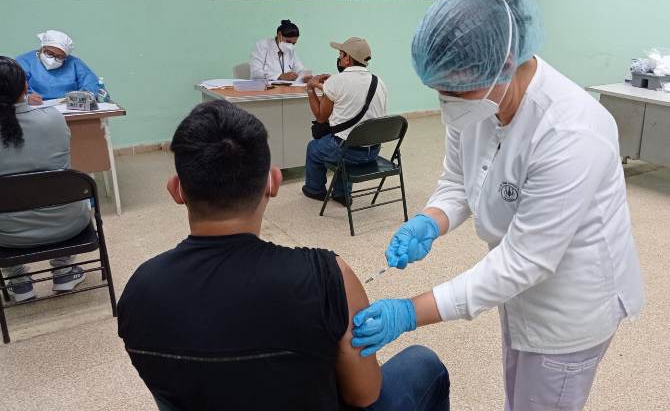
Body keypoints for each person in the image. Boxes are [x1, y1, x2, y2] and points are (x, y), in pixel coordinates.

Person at [351, 0, 645, 410]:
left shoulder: (572, 132)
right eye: (439, 90)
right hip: (520, 290)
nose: (446, 103)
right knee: (520, 394)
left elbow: (524, 260)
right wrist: (430, 220)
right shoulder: (479, 98)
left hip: (570, 305)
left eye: (454, 90)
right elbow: (457, 182)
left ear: (505, 64)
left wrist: (411, 311)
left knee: (543, 396)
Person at [117, 100, 449, 411]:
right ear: (273, 182)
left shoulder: (138, 293)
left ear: (177, 190)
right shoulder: (328, 276)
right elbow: (365, 394)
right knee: (423, 363)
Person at [0, 56, 90, 302]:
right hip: (68, 224)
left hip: (7, 235)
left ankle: (19, 283)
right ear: (25, 87)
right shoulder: (52, 118)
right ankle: (64, 272)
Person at [301, 37, 388, 206]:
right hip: (373, 151)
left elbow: (321, 117)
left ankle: (314, 190)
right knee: (348, 139)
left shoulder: (337, 81)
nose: (339, 58)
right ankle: (342, 193)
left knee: (315, 147)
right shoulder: (379, 82)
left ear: (347, 58)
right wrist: (328, 87)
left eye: (341, 54)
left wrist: (311, 89)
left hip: (348, 153)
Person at [16, 30, 100, 104]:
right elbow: (12, 89)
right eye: (49, 53)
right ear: (42, 47)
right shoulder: (24, 61)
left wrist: (81, 97)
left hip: (70, 109)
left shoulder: (74, 63)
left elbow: (91, 84)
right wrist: (25, 99)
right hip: (36, 110)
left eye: (60, 57)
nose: (53, 59)